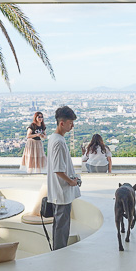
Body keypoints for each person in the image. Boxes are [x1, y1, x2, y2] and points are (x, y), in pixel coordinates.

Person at [46, 106, 80, 251]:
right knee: (62, 228)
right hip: (62, 192)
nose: (72, 125)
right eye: (70, 122)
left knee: (59, 226)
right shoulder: (59, 142)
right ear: (62, 123)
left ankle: (57, 254)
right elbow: (58, 170)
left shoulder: (54, 138)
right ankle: (59, 256)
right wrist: (71, 181)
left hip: (58, 191)